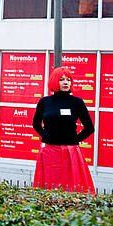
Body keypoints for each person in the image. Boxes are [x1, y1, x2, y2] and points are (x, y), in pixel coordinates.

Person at [31, 66, 96, 194]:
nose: (66, 82)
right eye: (61, 79)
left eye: (68, 79)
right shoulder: (45, 102)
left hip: (70, 152)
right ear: (55, 82)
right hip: (49, 150)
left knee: (72, 187)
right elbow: (35, 124)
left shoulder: (77, 102)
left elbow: (90, 128)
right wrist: (46, 136)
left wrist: (74, 139)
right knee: (48, 188)